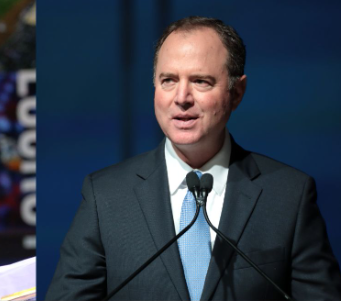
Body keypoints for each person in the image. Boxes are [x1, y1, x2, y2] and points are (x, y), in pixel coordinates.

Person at [46, 16, 341, 300]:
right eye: (168, 80)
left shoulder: (290, 195)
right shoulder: (105, 195)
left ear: (236, 92)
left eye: (200, 81)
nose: (182, 97)